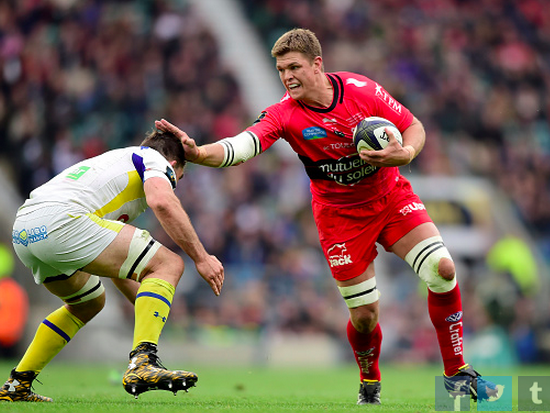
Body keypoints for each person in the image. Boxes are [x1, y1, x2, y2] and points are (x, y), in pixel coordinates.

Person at [156, 28, 497, 405]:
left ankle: (456, 373)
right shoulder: (284, 115)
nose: (287, 76)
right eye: (281, 69)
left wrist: (407, 154)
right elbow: (243, 145)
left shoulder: (361, 90)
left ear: (317, 65)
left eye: (294, 67)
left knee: (443, 269)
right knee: (365, 317)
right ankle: (370, 380)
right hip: (340, 220)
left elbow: (413, 126)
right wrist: (200, 153)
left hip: (390, 198)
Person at [0, 129, 224, 402]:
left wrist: (152, 305)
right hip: (63, 220)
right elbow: (162, 201)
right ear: (173, 165)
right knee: (170, 264)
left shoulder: (116, 166)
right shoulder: (154, 160)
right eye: (178, 179)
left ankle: (17, 384)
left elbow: (116, 263)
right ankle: (142, 363)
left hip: (25, 230)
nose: (174, 184)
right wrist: (201, 258)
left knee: (88, 302)